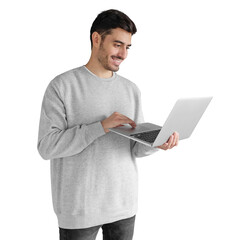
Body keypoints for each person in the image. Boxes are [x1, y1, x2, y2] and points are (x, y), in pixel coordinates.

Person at [37, 9, 179, 240]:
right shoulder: (62, 86)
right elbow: (47, 147)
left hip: (123, 205)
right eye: (117, 44)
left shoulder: (131, 89)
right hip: (79, 208)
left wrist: (157, 142)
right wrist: (100, 127)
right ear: (96, 39)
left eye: (127, 47)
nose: (123, 54)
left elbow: (135, 148)